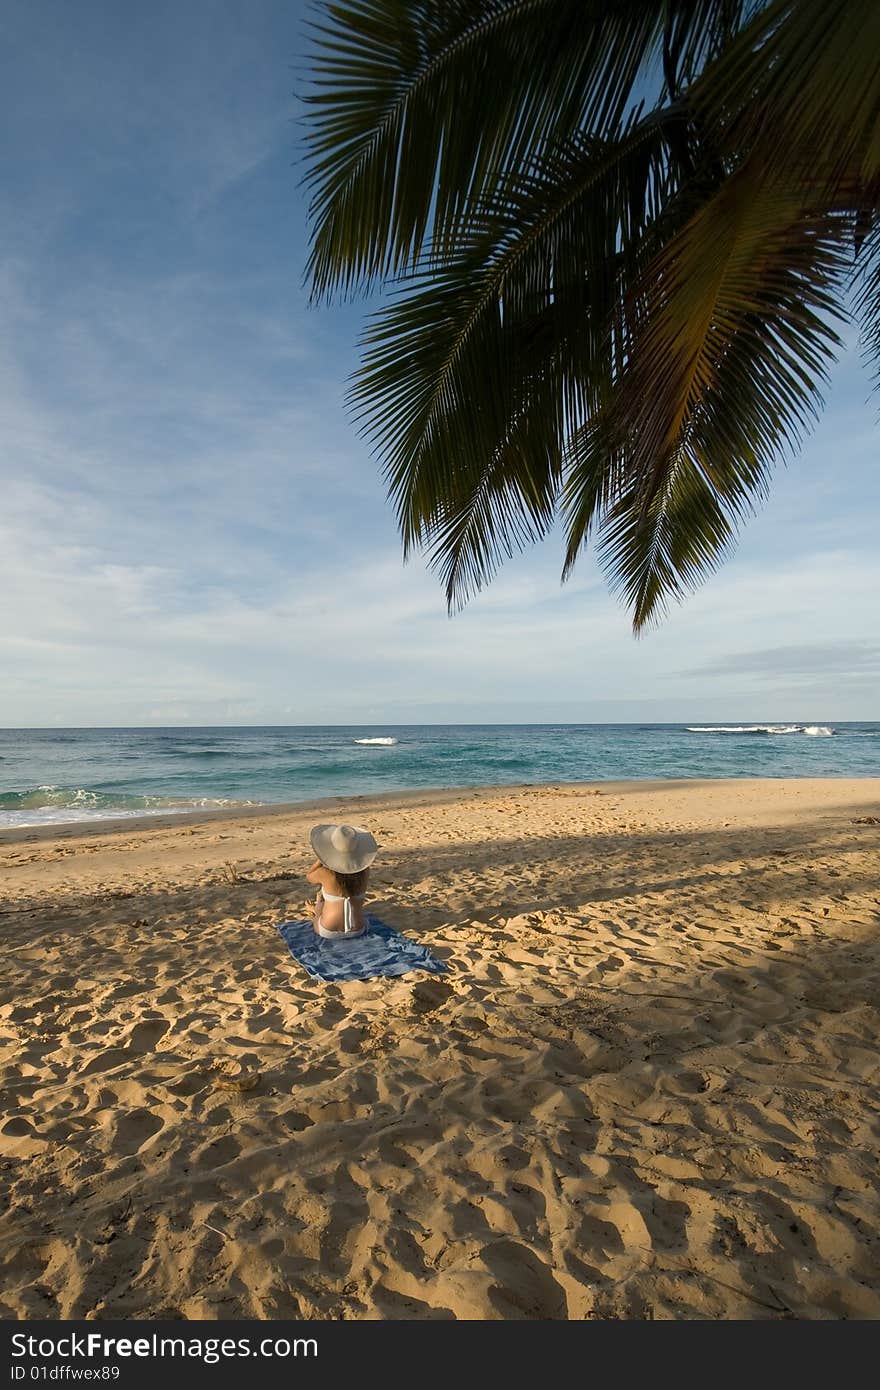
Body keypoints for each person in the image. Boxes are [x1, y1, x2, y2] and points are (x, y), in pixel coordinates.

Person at [305, 822, 378, 939]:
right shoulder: (364, 871)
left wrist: (322, 858)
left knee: (321, 907)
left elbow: (309, 876)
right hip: (359, 929)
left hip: (328, 931)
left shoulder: (326, 874)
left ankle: (315, 910)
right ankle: (318, 906)